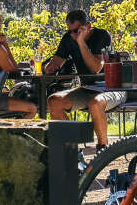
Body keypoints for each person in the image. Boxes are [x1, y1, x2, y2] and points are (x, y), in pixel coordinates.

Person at [43, 8, 126, 145]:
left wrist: (81, 42)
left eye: (77, 31)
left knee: (95, 103)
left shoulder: (101, 35)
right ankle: (72, 149)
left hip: (112, 87)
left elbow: (95, 68)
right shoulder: (69, 38)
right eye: (70, 31)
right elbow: (56, 62)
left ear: (88, 26)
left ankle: (102, 149)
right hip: (87, 89)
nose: (73, 35)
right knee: (54, 101)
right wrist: (49, 67)